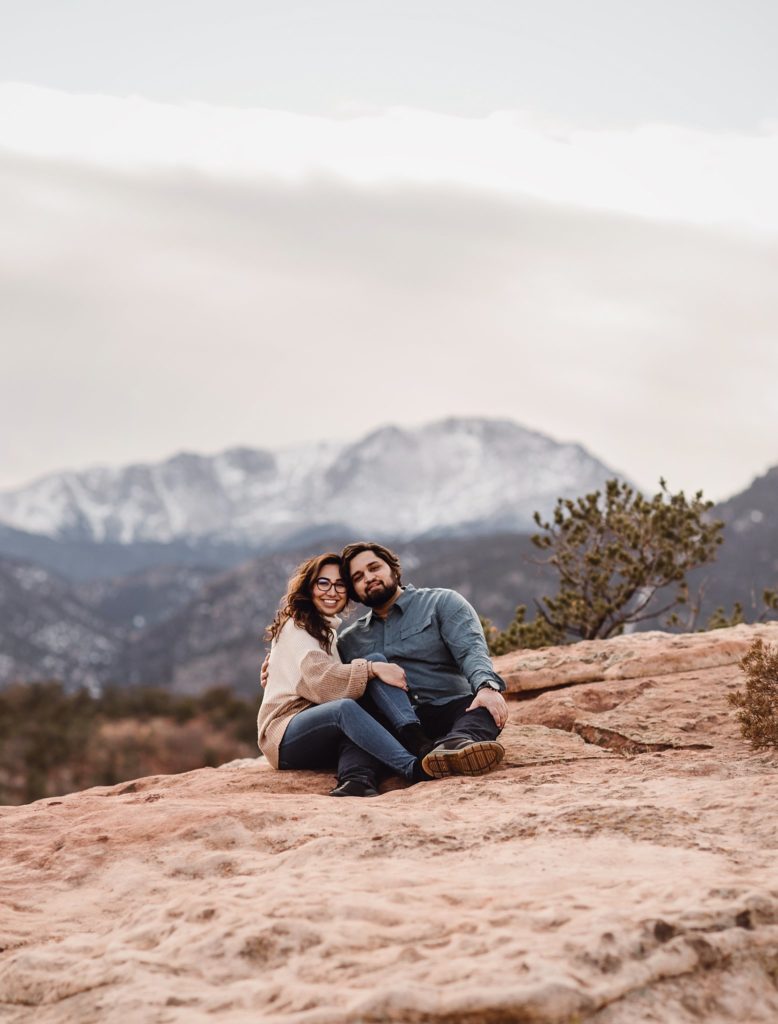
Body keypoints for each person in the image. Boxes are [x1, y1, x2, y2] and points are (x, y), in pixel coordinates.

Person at [257, 552, 434, 797]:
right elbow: (323, 682)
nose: (332, 591)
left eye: (340, 585)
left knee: (372, 674)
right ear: (309, 587)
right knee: (346, 707)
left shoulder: (326, 632)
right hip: (283, 734)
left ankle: (371, 770)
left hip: (316, 726)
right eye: (323, 583)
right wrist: (371, 670)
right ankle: (415, 768)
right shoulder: (297, 626)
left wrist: (374, 667)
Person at [337, 541, 507, 778]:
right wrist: (280, 661)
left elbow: (471, 651)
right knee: (361, 729)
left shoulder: (441, 602)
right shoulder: (348, 640)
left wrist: (487, 687)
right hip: (396, 725)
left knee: (484, 708)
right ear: (354, 591)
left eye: (374, 567)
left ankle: (456, 747)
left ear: (393, 569)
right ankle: (355, 781)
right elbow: (326, 675)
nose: (368, 577)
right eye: (358, 577)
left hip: (451, 707)